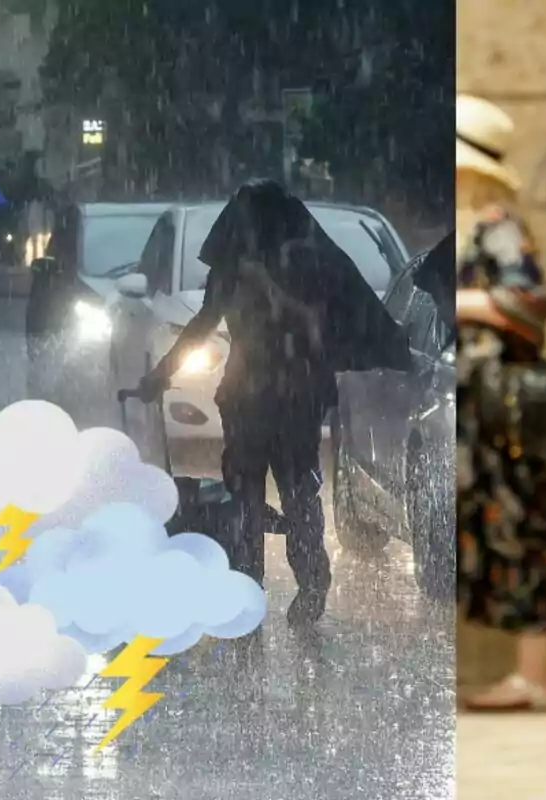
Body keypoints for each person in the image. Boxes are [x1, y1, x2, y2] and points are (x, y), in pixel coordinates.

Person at [136, 179, 410, 627]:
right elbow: (203, 324)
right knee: (248, 497)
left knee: (297, 494)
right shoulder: (234, 268)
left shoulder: (303, 264)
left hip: (291, 398)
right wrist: (160, 376)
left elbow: (314, 324)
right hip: (250, 400)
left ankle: (310, 582)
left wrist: (267, 286)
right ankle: (250, 586)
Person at [455, 94, 546, 712]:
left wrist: (450, 299)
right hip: (482, 415)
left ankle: (535, 676)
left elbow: (526, 307)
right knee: (508, 529)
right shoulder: (480, 225)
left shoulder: (496, 226)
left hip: (500, 415)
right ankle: (530, 675)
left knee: (521, 528)